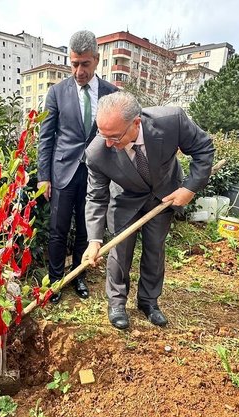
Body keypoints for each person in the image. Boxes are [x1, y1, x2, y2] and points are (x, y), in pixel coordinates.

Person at [82, 91, 215, 329]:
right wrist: (94, 239)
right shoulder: (97, 152)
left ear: (136, 123)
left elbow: (203, 149)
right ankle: (117, 303)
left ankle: (149, 301)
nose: (109, 143)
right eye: (103, 135)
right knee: (119, 253)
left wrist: (190, 189)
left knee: (155, 249)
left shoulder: (171, 121)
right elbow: (96, 196)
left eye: (114, 136)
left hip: (164, 195)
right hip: (125, 198)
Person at [37, 30, 118, 303]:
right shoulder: (57, 93)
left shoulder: (111, 93)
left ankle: (79, 276)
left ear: (96, 59)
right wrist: (43, 177)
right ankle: (56, 280)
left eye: (84, 64)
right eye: (74, 64)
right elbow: (46, 137)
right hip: (63, 173)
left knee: (87, 229)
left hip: (96, 174)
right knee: (58, 230)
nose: (79, 71)